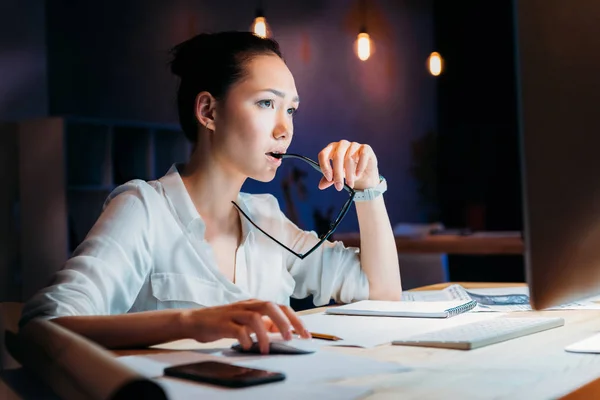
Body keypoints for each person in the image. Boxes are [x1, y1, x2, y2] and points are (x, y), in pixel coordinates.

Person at [20, 31, 401, 354]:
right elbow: (43, 326)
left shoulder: (268, 218)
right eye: (267, 103)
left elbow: (382, 294)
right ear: (208, 111)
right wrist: (190, 323)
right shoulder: (143, 209)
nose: (285, 129)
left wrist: (368, 189)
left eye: (292, 110)